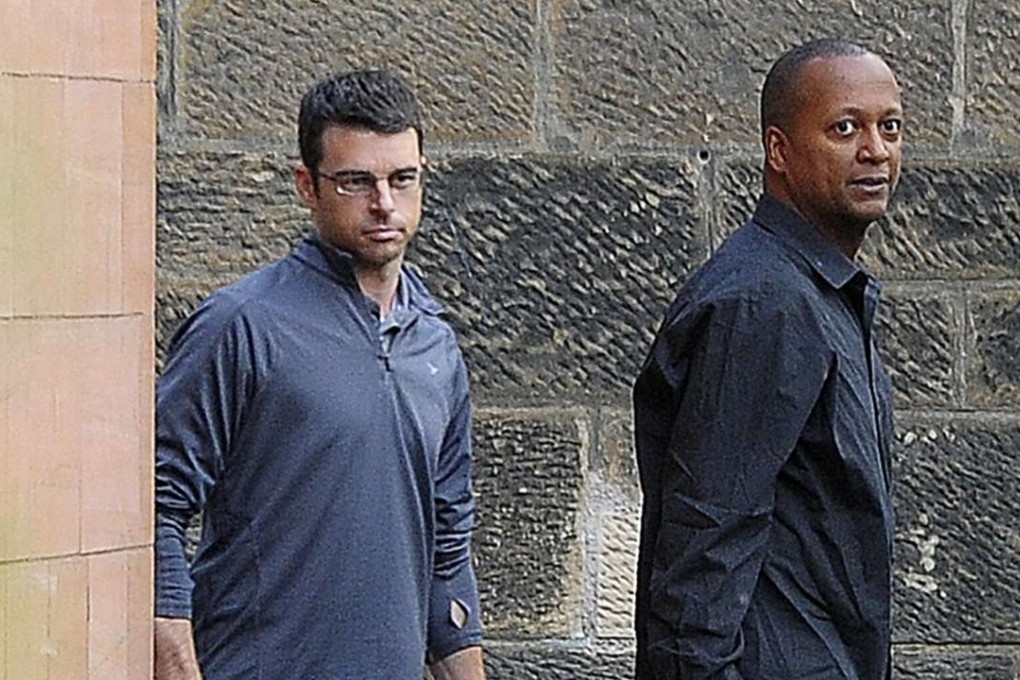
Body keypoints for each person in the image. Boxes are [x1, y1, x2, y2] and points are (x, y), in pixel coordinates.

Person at [154, 70, 486, 680]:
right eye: (356, 181)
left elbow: (448, 551)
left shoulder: (435, 345)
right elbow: (154, 507)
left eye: (401, 179)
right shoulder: (242, 325)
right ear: (308, 186)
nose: (383, 202)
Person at [633, 38, 901, 679]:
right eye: (845, 128)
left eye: (889, 126)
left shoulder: (818, 293)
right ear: (778, 150)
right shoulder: (764, 303)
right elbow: (703, 548)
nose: (876, 151)